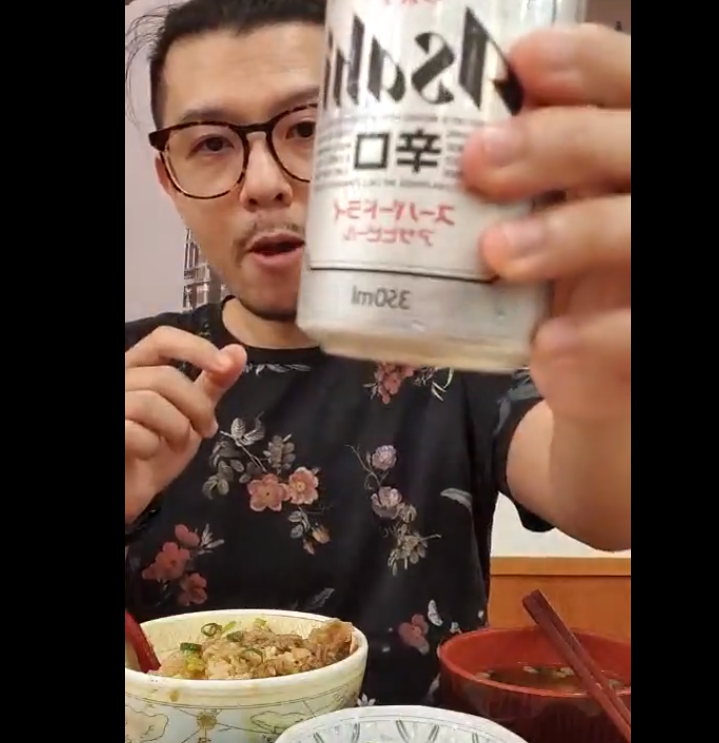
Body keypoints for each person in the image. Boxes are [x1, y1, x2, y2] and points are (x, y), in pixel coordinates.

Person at [124, 0, 631, 706]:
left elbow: (607, 507)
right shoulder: (137, 369)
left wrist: (607, 349)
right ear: (167, 177)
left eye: (308, 128)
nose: (263, 183)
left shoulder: (456, 349)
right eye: (210, 143)